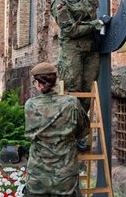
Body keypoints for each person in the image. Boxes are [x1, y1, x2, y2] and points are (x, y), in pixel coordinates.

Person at [24, 62, 90, 197]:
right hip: (65, 174)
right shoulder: (71, 102)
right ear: (55, 82)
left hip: (38, 173)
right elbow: (84, 130)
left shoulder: (30, 105)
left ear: (37, 83)